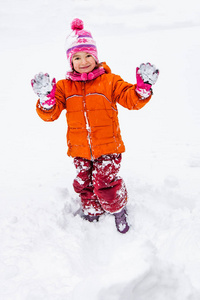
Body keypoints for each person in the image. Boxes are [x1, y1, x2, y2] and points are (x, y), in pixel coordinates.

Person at [31, 18, 159, 234]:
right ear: (70, 61)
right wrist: (47, 101)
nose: (83, 61)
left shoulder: (109, 81)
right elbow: (51, 114)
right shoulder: (64, 87)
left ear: (96, 56)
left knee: (105, 183)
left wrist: (141, 90)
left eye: (88, 55)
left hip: (108, 148)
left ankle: (118, 209)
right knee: (84, 183)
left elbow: (130, 99)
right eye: (77, 57)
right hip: (80, 149)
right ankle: (92, 211)